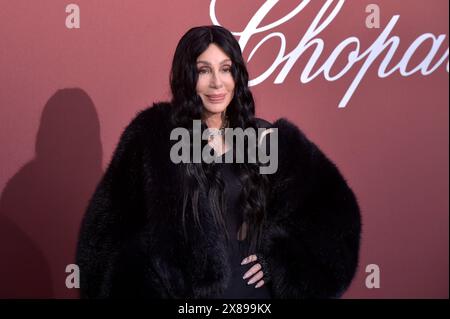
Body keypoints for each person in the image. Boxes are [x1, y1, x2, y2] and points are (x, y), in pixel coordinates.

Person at [76, 25, 361, 299]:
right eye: (204, 70)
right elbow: (105, 236)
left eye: (226, 69)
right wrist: (155, 276)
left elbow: (334, 216)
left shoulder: (263, 139)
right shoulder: (155, 139)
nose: (216, 82)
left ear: (237, 75)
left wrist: (282, 260)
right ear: (186, 77)